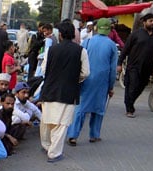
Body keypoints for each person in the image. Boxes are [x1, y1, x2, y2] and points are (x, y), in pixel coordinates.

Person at [39, 20, 90, 163]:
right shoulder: (81, 51)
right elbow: (86, 73)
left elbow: (43, 70)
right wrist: (75, 78)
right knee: (62, 124)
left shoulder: (51, 50)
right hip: (69, 92)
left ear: (60, 34)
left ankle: (46, 145)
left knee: (47, 120)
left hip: (49, 89)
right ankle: (54, 153)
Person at [67, 18, 118, 146]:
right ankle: (94, 135)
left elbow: (78, 61)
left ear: (96, 28)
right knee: (99, 108)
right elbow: (113, 70)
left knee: (80, 108)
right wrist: (111, 86)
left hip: (86, 79)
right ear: (110, 29)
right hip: (102, 81)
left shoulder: (87, 42)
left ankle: (73, 135)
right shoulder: (112, 45)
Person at [117, 13, 153, 118]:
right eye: (151, 21)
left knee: (141, 87)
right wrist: (119, 63)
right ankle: (129, 109)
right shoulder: (136, 34)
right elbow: (125, 50)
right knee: (132, 86)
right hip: (133, 66)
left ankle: (130, 102)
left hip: (147, 67)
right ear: (144, 22)